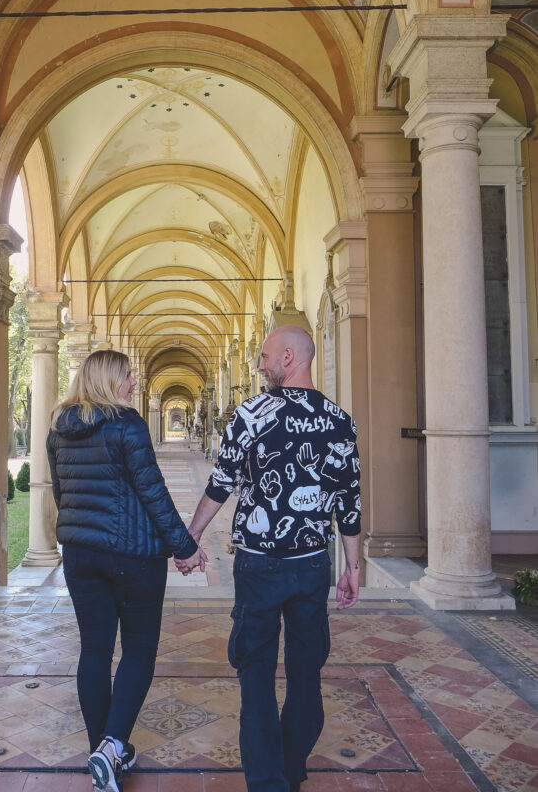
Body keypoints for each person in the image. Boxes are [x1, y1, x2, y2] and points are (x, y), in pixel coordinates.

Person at [177, 325, 361, 792]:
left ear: (287, 357)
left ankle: (268, 781)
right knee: (305, 674)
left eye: (263, 357)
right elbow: (350, 503)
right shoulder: (340, 421)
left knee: (255, 676)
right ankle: (292, 767)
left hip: (259, 565)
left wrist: (190, 538)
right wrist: (353, 568)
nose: (259, 365)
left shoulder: (250, 414)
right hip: (313, 564)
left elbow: (220, 484)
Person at [47, 349, 206, 792]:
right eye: (128, 376)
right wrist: (185, 547)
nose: (133, 382)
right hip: (133, 556)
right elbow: (153, 492)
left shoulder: (59, 427)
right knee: (138, 651)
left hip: (80, 554)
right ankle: (112, 745)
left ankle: (105, 752)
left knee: (94, 651)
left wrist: (84, 530)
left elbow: (62, 492)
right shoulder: (127, 424)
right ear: (108, 380)